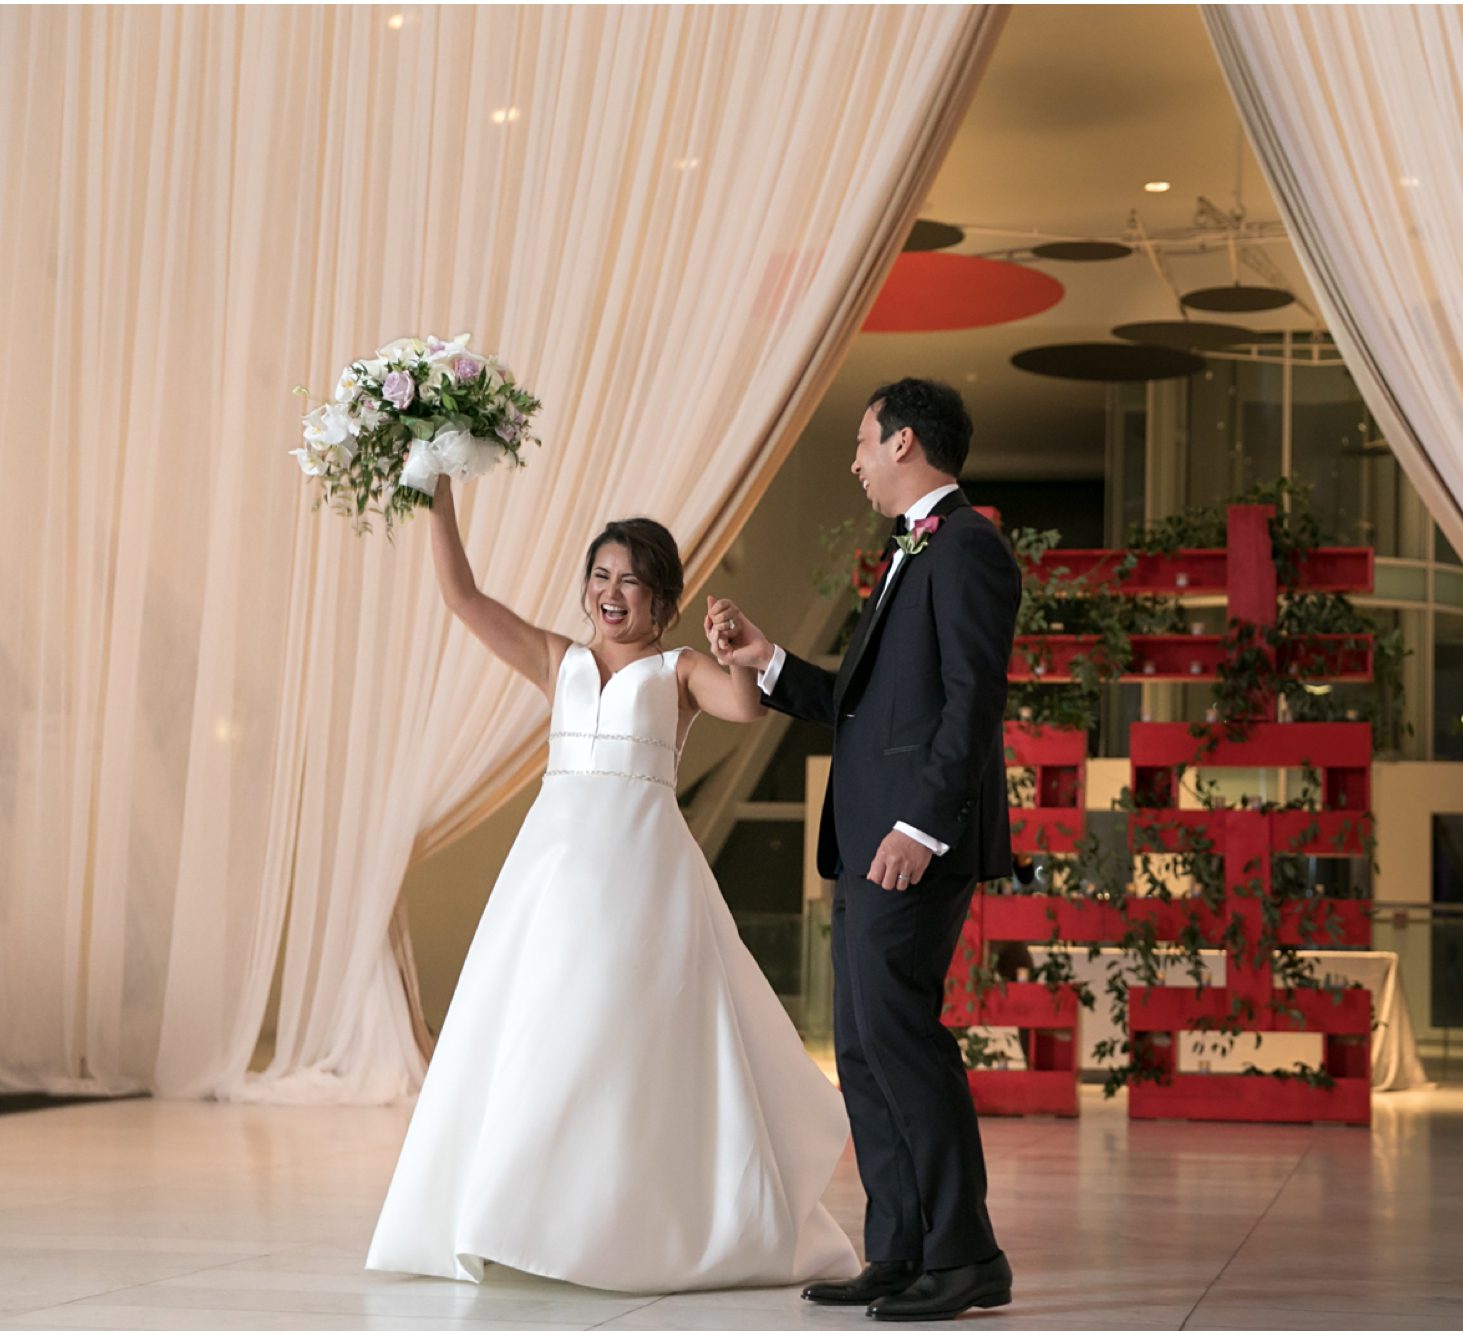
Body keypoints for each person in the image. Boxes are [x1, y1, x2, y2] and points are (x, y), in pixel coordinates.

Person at [365, 475, 859, 1293]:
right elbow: (461, 596)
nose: (610, 592)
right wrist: (438, 495)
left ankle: (636, 1219)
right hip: (554, 874)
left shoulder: (678, 669)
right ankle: (515, 1217)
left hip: (643, 875)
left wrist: (739, 643)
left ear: (660, 594)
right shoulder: (558, 658)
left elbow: (744, 708)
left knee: (627, 1041)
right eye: (600, 576)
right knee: (540, 1033)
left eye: (629, 577)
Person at [706, 378, 1019, 1322]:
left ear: (905, 442)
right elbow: (867, 703)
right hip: (869, 842)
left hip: (911, 842)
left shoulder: (968, 548)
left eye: (861, 443)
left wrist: (921, 828)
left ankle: (966, 1255)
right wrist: (767, 661)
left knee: (901, 1038)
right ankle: (900, 1250)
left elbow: (971, 705)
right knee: (865, 1046)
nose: (853, 462)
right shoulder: (911, 552)